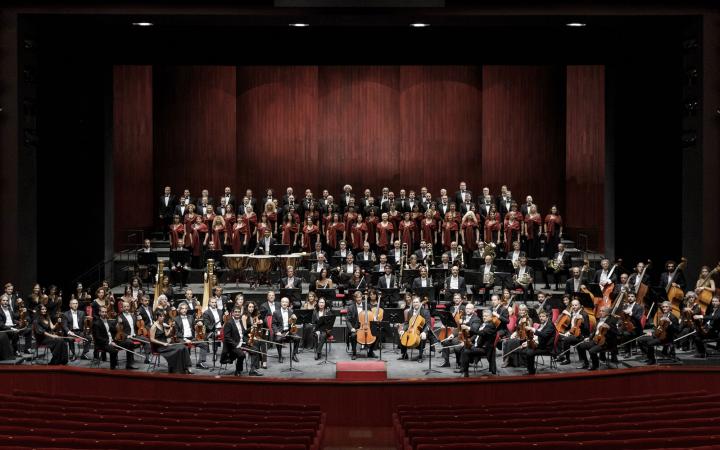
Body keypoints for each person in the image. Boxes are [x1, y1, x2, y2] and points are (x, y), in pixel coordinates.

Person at [149, 309, 192, 374]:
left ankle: (187, 366)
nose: (162, 317)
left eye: (163, 316)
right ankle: (177, 370)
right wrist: (163, 343)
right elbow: (152, 339)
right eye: (160, 316)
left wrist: (171, 328)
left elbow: (166, 334)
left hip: (166, 344)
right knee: (179, 349)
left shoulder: (162, 324)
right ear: (156, 317)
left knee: (183, 347)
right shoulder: (154, 326)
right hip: (160, 347)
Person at [576, 306, 620, 370]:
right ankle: (586, 363)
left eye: (603, 311)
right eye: (600, 311)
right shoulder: (599, 319)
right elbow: (595, 331)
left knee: (592, 351)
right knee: (580, 346)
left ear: (608, 313)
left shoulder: (612, 320)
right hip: (596, 340)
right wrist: (590, 338)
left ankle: (595, 365)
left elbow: (618, 333)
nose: (600, 312)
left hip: (606, 342)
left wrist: (610, 328)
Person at [458, 308, 497, 377]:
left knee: (466, 351)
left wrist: (468, 328)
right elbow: (476, 335)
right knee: (463, 347)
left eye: (486, 316)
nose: (484, 317)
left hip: (484, 348)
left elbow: (481, 333)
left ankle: (465, 372)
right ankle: (463, 368)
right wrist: (469, 340)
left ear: (491, 317)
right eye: (483, 316)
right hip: (478, 345)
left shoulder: (491, 325)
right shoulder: (483, 324)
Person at [173, 302, 209, 370]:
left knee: (204, 344)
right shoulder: (176, 319)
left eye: (186, 308)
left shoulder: (190, 317)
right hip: (182, 339)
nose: (184, 310)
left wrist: (198, 323)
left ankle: (200, 362)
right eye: (182, 308)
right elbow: (177, 333)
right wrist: (185, 340)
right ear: (179, 310)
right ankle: (187, 365)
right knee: (185, 347)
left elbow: (194, 325)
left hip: (192, 338)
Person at [521, 310, 555, 375]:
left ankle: (531, 372)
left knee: (529, 352)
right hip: (540, 345)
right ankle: (530, 369)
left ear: (547, 317)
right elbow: (537, 337)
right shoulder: (542, 324)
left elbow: (544, 335)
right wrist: (527, 343)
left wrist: (533, 329)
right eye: (540, 316)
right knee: (525, 349)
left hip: (546, 348)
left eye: (543, 316)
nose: (541, 318)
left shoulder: (550, 325)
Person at [557, 299, 590, 365]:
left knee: (566, 340)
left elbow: (587, 328)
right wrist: (567, 332)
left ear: (580, 305)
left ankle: (567, 359)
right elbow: (571, 326)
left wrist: (583, 321)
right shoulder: (572, 313)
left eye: (576, 305)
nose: (574, 306)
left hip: (581, 335)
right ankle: (560, 356)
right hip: (573, 333)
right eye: (573, 305)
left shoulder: (584, 314)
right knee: (558, 336)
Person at [345, 291, 377, 359]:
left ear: (362, 297)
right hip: (356, 328)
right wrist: (351, 328)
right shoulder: (351, 307)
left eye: (360, 297)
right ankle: (354, 353)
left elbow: (371, 315)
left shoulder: (367, 305)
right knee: (353, 336)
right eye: (357, 297)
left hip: (366, 326)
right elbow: (347, 320)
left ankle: (370, 352)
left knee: (376, 334)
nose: (359, 299)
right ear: (355, 298)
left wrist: (374, 318)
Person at [398, 296, 431, 363]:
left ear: (420, 303)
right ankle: (404, 354)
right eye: (414, 302)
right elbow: (407, 323)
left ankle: (420, 356)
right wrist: (403, 330)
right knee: (402, 334)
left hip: (422, 330)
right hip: (411, 330)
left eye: (417, 302)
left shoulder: (425, 312)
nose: (415, 304)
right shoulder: (410, 312)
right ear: (412, 303)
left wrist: (424, 332)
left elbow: (428, 324)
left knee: (422, 337)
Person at [221, 308, 249, 376]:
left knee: (255, 349)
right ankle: (238, 370)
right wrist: (236, 345)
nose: (237, 313)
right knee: (242, 355)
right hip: (233, 345)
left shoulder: (240, 321)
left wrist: (252, 328)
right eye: (235, 312)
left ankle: (254, 369)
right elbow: (227, 337)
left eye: (238, 312)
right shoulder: (229, 323)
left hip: (241, 342)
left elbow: (243, 332)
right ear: (232, 313)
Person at [272, 297, 299, 363]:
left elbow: (293, 324)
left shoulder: (291, 311)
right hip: (280, 331)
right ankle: (280, 355)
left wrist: (295, 319)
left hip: (289, 331)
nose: (284, 303)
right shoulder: (276, 312)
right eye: (283, 302)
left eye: (286, 302)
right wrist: (277, 332)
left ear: (288, 303)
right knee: (278, 339)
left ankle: (294, 354)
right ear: (281, 303)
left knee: (297, 338)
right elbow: (273, 324)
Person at [241, 302, 263, 375]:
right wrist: (252, 326)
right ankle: (254, 369)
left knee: (259, 341)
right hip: (245, 337)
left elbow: (257, 329)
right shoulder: (244, 316)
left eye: (252, 307)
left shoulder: (254, 316)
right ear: (247, 307)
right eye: (250, 307)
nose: (251, 308)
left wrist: (259, 323)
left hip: (251, 336)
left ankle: (255, 367)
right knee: (255, 348)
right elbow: (244, 331)